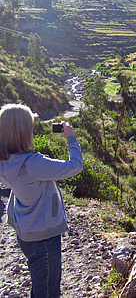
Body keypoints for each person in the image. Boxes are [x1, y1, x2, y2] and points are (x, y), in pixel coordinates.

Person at [0, 104, 83, 298]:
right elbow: (75, 166)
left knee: (40, 283)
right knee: (48, 290)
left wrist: (23, 121)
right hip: (43, 236)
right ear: (23, 133)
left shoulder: (6, 161)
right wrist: (71, 138)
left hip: (27, 231)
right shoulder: (33, 164)